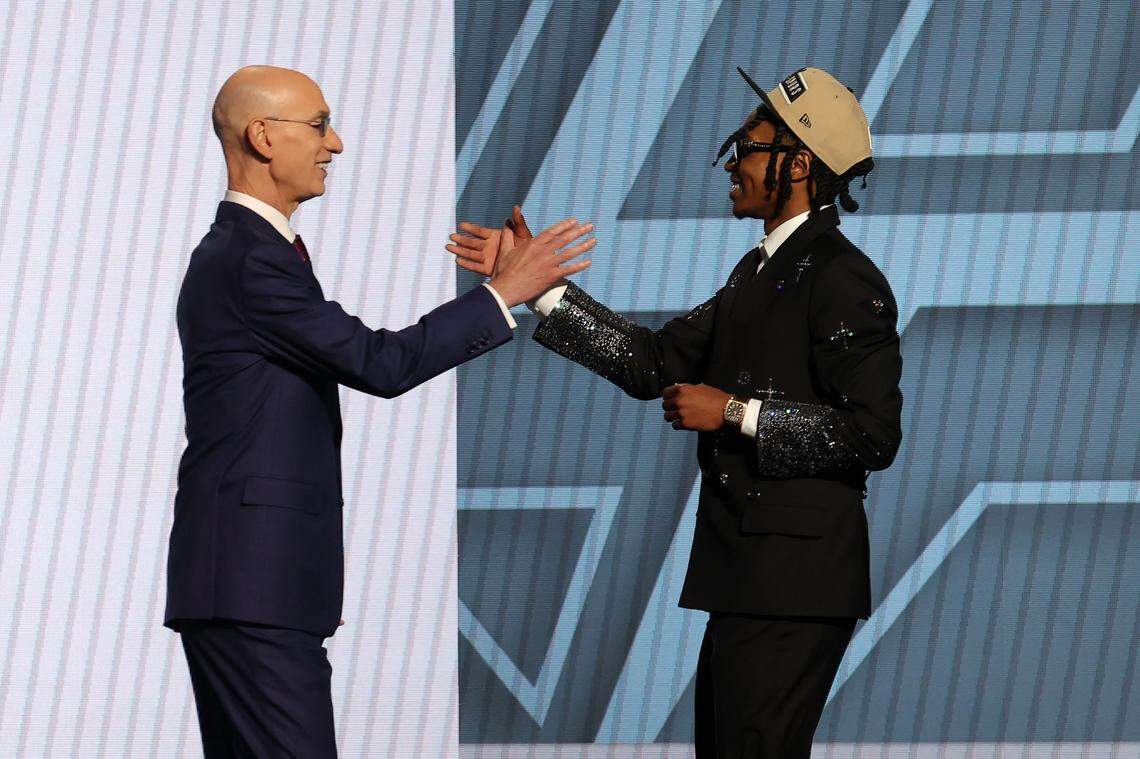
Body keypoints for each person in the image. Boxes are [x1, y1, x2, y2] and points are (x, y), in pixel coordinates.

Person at [449, 67, 902, 757]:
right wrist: (538, 288)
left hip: (793, 583)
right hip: (750, 574)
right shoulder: (757, 273)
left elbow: (872, 432)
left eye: (748, 147)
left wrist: (739, 413)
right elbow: (651, 362)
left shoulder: (841, 276)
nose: (732, 162)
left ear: (800, 164)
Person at [165, 65, 595, 758]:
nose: (335, 143)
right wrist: (502, 293)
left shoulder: (249, 255)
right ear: (263, 136)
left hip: (258, 586)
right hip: (250, 589)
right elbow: (380, 363)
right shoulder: (250, 260)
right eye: (318, 124)